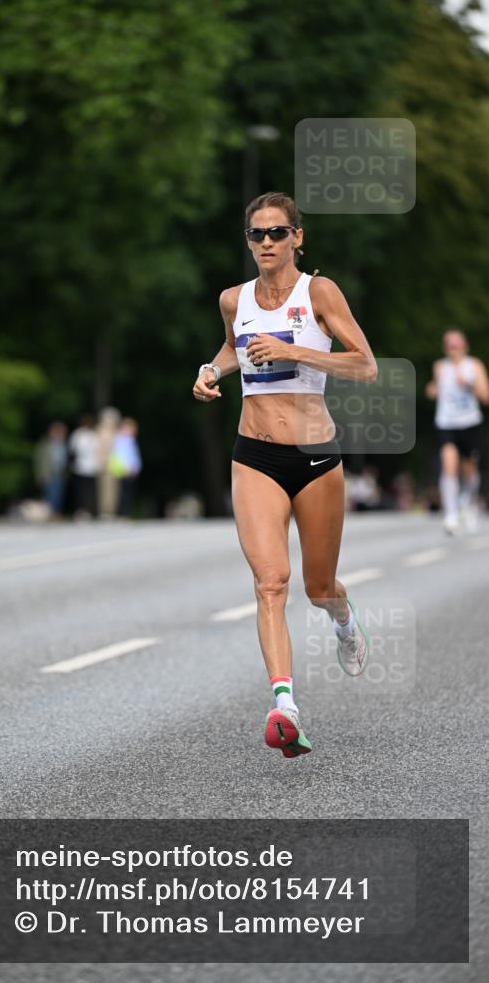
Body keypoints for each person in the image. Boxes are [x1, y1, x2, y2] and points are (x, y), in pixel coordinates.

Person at [192, 191, 378, 759]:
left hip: (316, 457)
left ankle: (342, 618)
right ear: (248, 241)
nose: (267, 242)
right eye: (257, 234)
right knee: (271, 582)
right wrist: (211, 370)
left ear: (298, 237)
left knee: (318, 587)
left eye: (278, 232)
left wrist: (296, 353)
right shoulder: (234, 299)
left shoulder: (318, 292)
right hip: (255, 455)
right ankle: (284, 706)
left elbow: (365, 365)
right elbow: (234, 347)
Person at [425, 329, 489, 534]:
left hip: (470, 422)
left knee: (470, 468)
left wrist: (469, 384)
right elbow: (434, 388)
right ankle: (451, 514)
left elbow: (485, 396)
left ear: (465, 346)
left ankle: (467, 501)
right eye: (449, 346)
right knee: (449, 465)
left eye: (456, 345)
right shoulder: (440, 367)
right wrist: (432, 389)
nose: (453, 349)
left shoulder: (474, 366)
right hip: (446, 422)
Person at [109, 417, 142, 518]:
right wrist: (126, 468)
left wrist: (137, 467)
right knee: (123, 493)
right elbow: (121, 456)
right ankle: (122, 513)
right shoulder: (121, 439)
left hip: (131, 471)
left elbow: (134, 456)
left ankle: (125, 513)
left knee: (127, 493)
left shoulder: (130, 440)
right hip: (124, 470)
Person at [68, 414, 100, 519]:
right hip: (80, 467)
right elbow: (73, 450)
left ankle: (89, 510)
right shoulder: (77, 435)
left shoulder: (94, 435)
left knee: (90, 491)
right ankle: (80, 510)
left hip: (92, 468)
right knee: (80, 491)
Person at [34, 421, 68, 518]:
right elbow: (39, 461)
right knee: (50, 494)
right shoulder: (45, 445)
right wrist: (39, 475)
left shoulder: (63, 444)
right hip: (48, 474)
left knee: (58, 495)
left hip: (60, 473)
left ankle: (56, 512)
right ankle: (49, 513)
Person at [96, 407, 122, 519]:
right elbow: (99, 449)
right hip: (105, 464)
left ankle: (112, 511)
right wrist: (101, 462)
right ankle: (105, 511)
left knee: (115, 490)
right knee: (105, 489)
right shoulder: (101, 431)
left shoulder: (117, 433)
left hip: (116, 465)